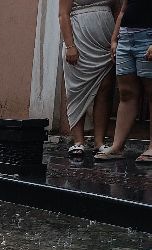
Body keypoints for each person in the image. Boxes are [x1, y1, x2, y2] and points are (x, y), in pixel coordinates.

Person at [59, 0, 117, 157]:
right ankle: (78, 141)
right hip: (79, 40)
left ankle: (99, 142)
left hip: (104, 43)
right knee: (76, 90)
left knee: (105, 89)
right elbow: (63, 14)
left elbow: (119, 10)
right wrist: (70, 46)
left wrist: (116, 39)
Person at [97, 0, 152, 161]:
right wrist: (115, 39)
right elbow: (123, 9)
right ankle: (117, 146)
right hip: (126, 36)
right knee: (126, 93)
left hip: (148, 36)